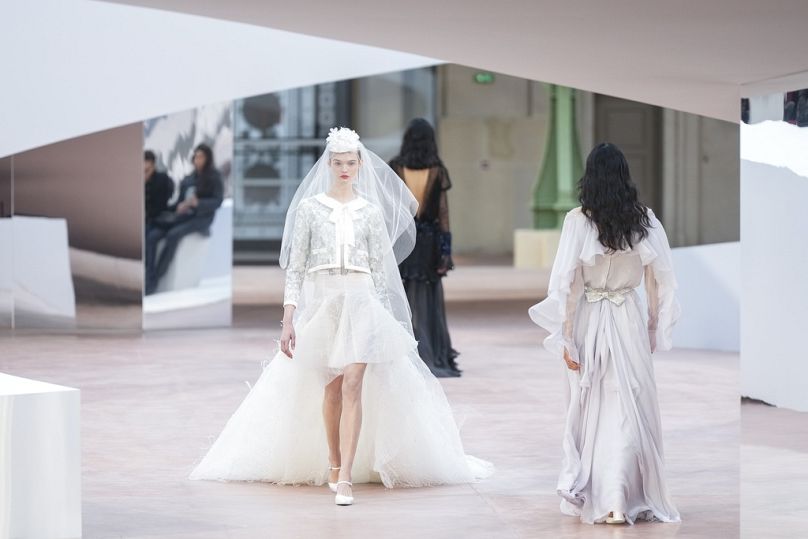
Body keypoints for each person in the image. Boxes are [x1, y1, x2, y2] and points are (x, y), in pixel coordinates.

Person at [189, 128, 492, 505]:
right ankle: (333, 462)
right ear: (328, 164)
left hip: (362, 301)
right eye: (338, 162)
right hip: (325, 303)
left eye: (351, 162)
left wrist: (386, 317)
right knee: (331, 388)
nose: (345, 168)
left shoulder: (370, 211)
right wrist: (289, 319)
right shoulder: (310, 209)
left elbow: (382, 273)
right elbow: (296, 268)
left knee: (352, 382)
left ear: (360, 164)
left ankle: (346, 476)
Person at [529, 143, 681, 525]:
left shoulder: (578, 220)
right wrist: (651, 327)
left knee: (591, 406)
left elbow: (566, 283)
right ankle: (620, 497)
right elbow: (660, 280)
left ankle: (607, 496)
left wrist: (565, 336)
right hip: (627, 317)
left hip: (591, 319)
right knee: (628, 405)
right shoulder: (644, 220)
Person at [389, 119, 460, 377]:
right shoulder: (437, 171)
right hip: (429, 242)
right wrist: (445, 251)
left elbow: (390, 211)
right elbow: (443, 215)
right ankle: (432, 353)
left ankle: (400, 354)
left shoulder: (395, 167)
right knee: (429, 300)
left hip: (402, 240)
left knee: (400, 296)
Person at [145, 143, 223, 295]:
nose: (197, 160)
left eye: (201, 156)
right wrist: (176, 207)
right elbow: (179, 202)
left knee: (173, 234)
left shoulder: (214, 177)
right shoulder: (188, 179)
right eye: (196, 156)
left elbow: (217, 201)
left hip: (201, 219)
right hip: (182, 216)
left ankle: (156, 277)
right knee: (153, 235)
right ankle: (149, 274)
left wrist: (198, 203)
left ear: (207, 158)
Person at [143, 150, 174, 227]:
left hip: (159, 219)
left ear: (153, 166)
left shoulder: (163, 179)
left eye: (147, 170)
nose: (144, 174)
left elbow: (161, 204)